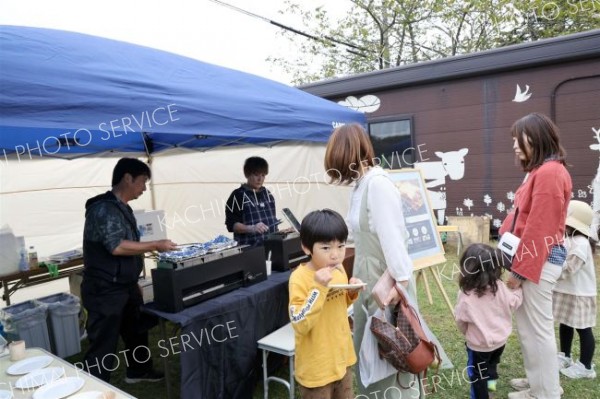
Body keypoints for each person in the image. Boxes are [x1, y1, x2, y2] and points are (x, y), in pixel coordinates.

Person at [324, 123, 423, 398]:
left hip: (385, 284)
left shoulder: (377, 184)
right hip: (367, 277)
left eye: (338, 164)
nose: (337, 173)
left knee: (392, 355)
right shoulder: (361, 185)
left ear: (349, 156)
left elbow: (394, 242)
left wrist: (398, 288)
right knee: (371, 356)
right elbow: (354, 233)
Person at [81, 158, 177, 383]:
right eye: (143, 181)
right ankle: (93, 387)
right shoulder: (103, 209)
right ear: (127, 178)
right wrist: (156, 244)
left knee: (136, 331)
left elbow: (129, 247)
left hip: (125, 285)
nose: (144, 188)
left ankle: (139, 371)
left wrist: (133, 281)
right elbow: (116, 246)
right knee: (103, 343)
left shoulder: (123, 208)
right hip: (104, 288)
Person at [500, 113, 572, 399]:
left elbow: (539, 228)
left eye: (520, 138)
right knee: (531, 329)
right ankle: (540, 382)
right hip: (535, 260)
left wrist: (519, 272)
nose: (515, 145)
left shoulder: (550, 173)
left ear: (537, 137)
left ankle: (545, 391)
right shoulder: (542, 170)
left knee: (537, 330)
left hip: (537, 262)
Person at [289, 209, 363, 399]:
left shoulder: (338, 270)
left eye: (341, 246)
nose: (335, 255)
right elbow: (299, 323)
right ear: (307, 248)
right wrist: (318, 288)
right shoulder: (299, 278)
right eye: (326, 248)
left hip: (342, 359)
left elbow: (339, 304)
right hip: (317, 368)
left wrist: (351, 293)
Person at [455, 243, 523, 399]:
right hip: (500, 342)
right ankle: (491, 386)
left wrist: (469, 334)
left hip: (478, 346)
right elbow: (514, 302)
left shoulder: (466, 296)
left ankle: (482, 395)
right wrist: (518, 290)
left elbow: (460, 321)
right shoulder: (499, 286)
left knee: (477, 376)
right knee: (492, 364)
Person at [553, 200, 597, 379]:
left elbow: (570, 268)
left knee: (583, 328)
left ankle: (586, 367)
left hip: (580, 294)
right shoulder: (569, 239)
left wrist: (550, 271)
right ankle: (565, 356)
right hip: (567, 291)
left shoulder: (581, 243)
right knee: (565, 323)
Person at [225, 156, 278, 246]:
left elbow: (272, 221)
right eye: (256, 174)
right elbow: (231, 225)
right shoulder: (237, 195)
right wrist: (252, 228)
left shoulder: (267, 194)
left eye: (263, 175)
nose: (260, 179)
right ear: (247, 174)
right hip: (250, 251)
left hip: (271, 246)